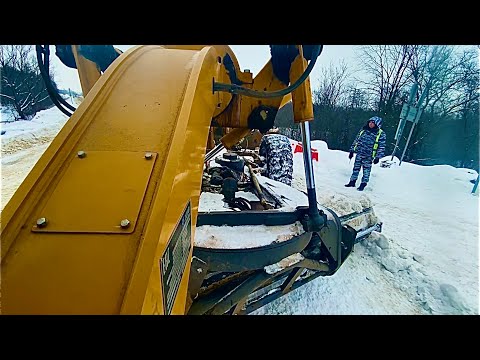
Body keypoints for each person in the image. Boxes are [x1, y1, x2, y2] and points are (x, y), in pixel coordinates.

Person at [345, 116, 386, 191]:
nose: (371, 124)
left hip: (369, 156)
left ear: (377, 124)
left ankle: (363, 184)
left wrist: (378, 157)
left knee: (366, 171)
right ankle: (352, 181)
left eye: (373, 123)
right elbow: (356, 140)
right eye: (370, 122)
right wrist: (352, 151)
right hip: (359, 153)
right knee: (356, 169)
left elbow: (381, 146)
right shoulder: (363, 130)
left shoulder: (380, 133)